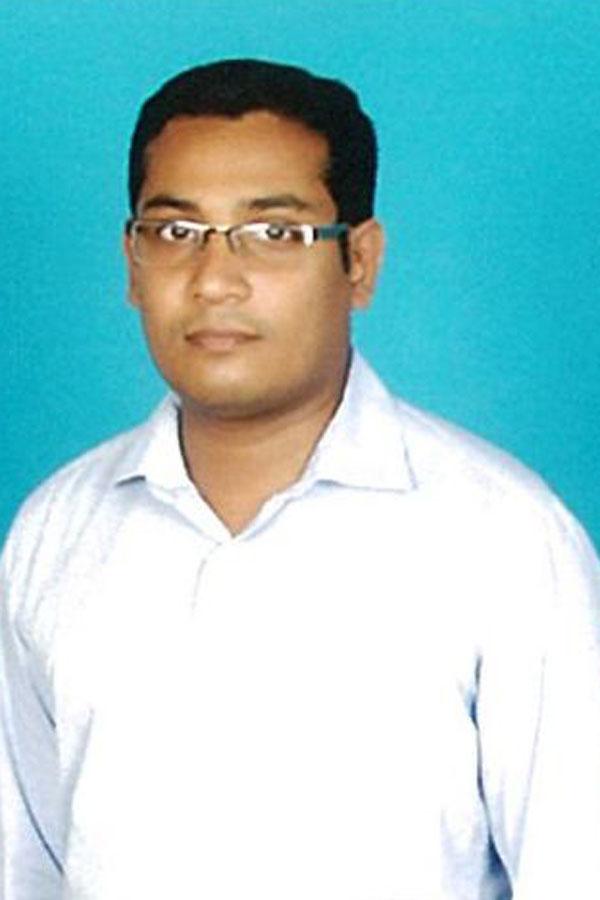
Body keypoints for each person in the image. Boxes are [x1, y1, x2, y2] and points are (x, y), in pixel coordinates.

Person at [1, 59, 599, 900]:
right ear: (132, 262)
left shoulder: (504, 538)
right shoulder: (56, 532)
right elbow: (24, 869)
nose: (215, 279)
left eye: (274, 234)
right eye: (175, 232)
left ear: (360, 262)